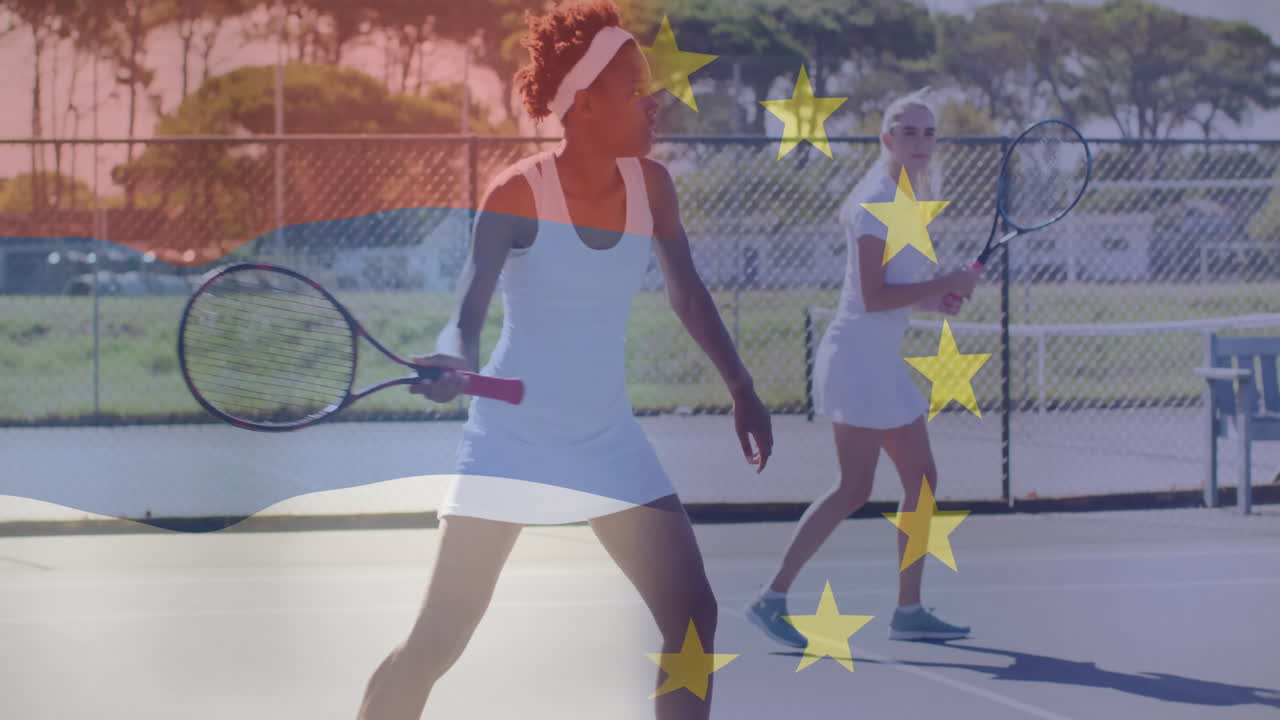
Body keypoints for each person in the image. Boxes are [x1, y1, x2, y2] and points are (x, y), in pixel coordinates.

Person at [356, 2, 774, 718]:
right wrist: (452, 359)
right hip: (510, 444)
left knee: (692, 617)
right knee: (438, 642)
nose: (653, 104)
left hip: (606, 438)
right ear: (583, 103)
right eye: (633, 88)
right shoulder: (515, 194)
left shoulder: (654, 188)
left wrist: (742, 384)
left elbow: (688, 295)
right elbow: (465, 315)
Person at [745, 88, 980, 646]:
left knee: (920, 481)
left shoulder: (904, 198)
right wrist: (946, 283)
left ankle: (908, 609)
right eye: (909, 131)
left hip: (878, 360)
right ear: (887, 140)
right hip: (857, 359)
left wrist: (934, 301)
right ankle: (771, 598)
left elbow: (893, 293)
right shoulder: (878, 198)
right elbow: (872, 297)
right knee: (853, 488)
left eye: (928, 132)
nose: (921, 141)